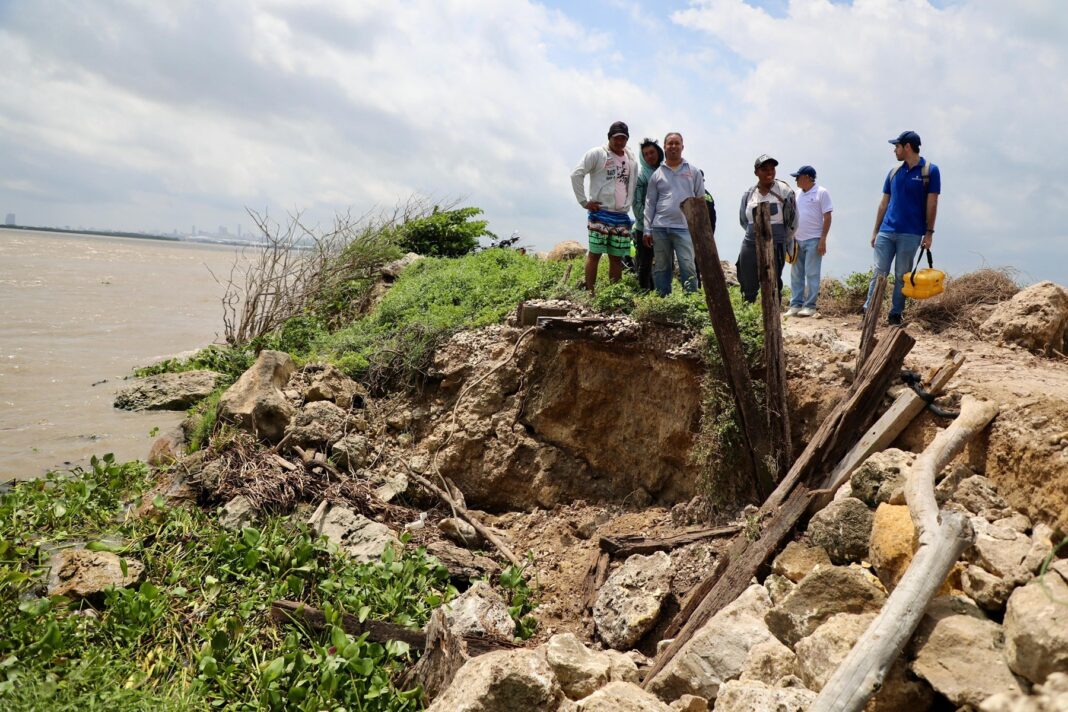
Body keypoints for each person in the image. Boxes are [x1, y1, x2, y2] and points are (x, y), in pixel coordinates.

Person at [864, 130, 940, 326]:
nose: (894, 150)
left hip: (911, 233)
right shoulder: (893, 172)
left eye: (897, 146)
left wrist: (929, 233)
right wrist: (875, 231)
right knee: (879, 273)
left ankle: (895, 315)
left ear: (907, 147)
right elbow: (883, 203)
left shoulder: (930, 171)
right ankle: (868, 313)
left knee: (901, 276)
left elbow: (932, 203)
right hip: (886, 231)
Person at [571, 121, 639, 293]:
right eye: (616, 138)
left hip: (621, 215)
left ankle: (613, 295)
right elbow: (576, 174)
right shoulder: (597, 154)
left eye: (623, 138)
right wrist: (584, 202)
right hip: (600, 212)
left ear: (627, 139)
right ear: (609, 137)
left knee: (616, 257)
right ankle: (590, 293)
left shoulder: (631, 159)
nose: (619, 141)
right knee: (595, 254)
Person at [642, 132, 704, 296]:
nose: (673, 146)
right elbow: (650, 203)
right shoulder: (657, 174)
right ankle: (663, 301)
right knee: (661, 267)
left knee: (688, 266)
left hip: (684, 227)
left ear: (683, 146)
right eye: (670, 143)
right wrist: (647, 229)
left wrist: (700, 230)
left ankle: (691, 302)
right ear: (664, 147)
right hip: (660, 227)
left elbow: (700, 202)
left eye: (677, 143)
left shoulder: (693, 172)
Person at [737, 154, 797, 303]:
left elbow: (793, 220)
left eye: (772, 169)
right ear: (756, 172)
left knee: (773, 280)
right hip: (750, 241)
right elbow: (743, 219)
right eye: (764, 169)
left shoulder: (784, 191)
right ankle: (748, 309)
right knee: (746, 276)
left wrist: (784, 239)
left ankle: (774, 312)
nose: (769, 172)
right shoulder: (749, 193)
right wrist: (754, 233)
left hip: (776, 241)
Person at [786, 165, 833, 317]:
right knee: (796, 274)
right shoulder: (796, 194)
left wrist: (823, 239)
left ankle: (810, 306)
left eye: (798, 177)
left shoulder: (821, 192)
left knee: (812, 273)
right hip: (797, 240)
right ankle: (795, 305)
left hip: (814, 239)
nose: (796, 180)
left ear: (807, 177)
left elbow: (827, 216)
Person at [631, 138, 664, 292]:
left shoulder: (665, 172)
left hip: (663, 226)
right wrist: (646, 223)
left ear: (658, 152)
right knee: (645, 262)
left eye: (652, 152)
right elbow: (636, 203)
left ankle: (661, 294)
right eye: (646, 154)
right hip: (643, 228)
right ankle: (643, 294)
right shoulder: (640, 176)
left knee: (664, 262)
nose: (650, 156)